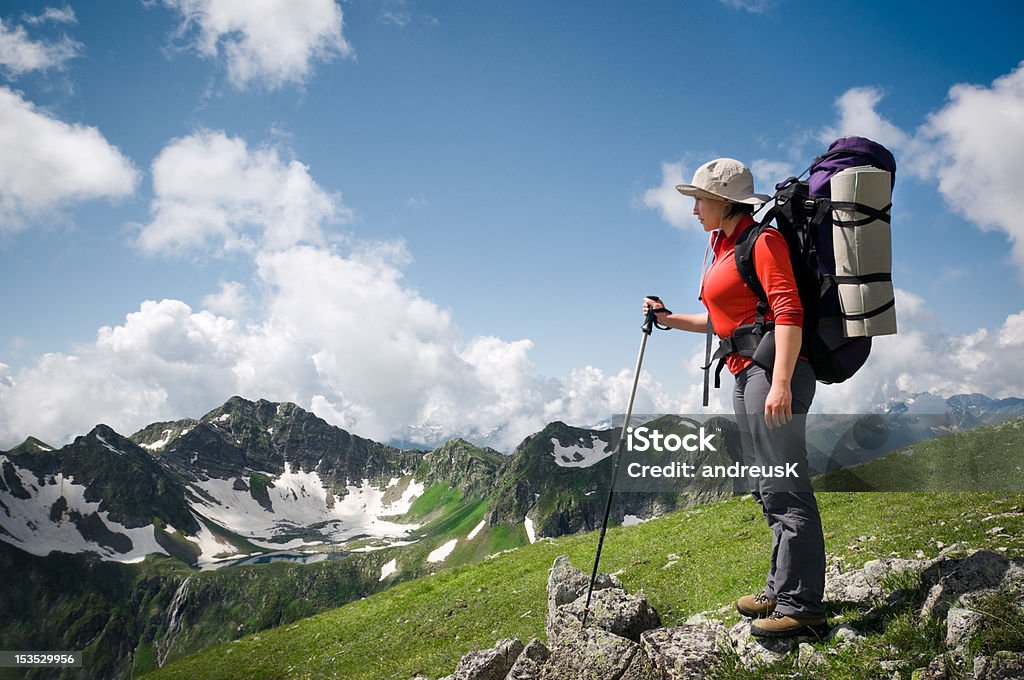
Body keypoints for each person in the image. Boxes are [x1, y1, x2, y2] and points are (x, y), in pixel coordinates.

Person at [643, 158, 827, 638]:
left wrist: (783, 381)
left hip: (772, 374)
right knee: (768, 488)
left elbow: (789, 310)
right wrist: (667, 319)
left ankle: (803, 606)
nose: (693, 209)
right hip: (744, 374)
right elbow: (720, 323)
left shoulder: (762, 241)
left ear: (725, 200)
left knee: (786, 487)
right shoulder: (722, 248)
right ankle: (780, 587)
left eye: (699, 199)